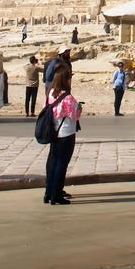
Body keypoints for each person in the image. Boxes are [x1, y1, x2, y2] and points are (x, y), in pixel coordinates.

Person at [43, 67, 80, 205]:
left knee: (52, 161)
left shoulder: (50, 93)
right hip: (66, 133)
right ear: (66, 80)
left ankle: (48, 192)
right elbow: (74, 115)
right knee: (61, 164)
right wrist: (79, 107)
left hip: (54, 131)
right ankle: (57, 194)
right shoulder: (68, 97)